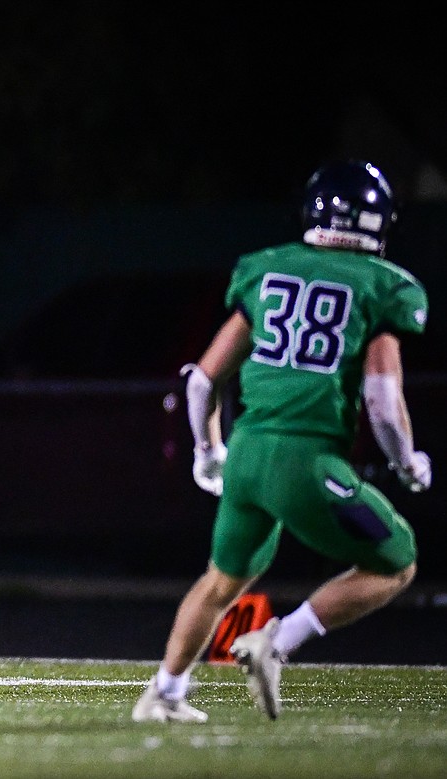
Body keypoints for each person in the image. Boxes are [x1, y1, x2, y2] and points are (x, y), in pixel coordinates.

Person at [132, 160, 431, 723]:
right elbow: (383, 402)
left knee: (221, 582)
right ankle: (278, 639)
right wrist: (408, 462)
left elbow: (201, 381)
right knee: (398, 562)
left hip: (246, 453)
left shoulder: (266, 268)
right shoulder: (385, 284)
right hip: (307, 460)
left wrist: (208, 451)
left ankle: (165, 692)